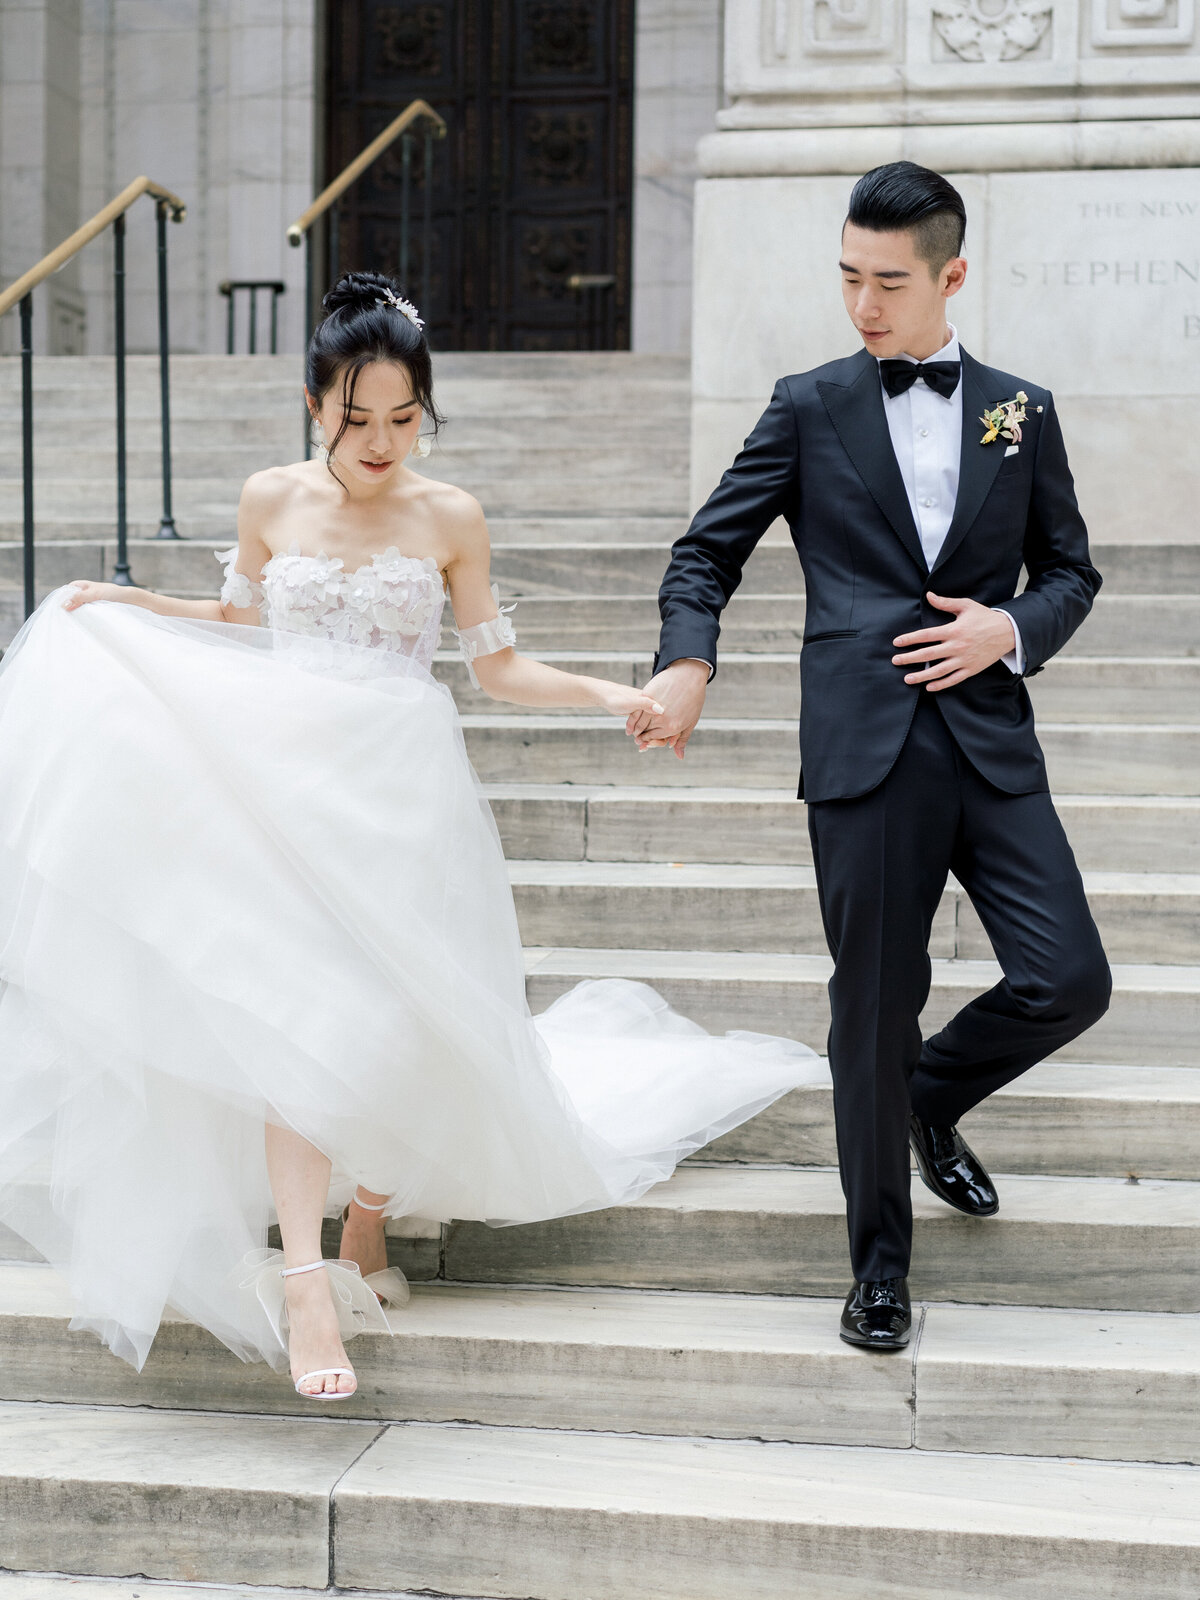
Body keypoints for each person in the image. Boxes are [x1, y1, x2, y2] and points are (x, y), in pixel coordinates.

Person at [0, 271, 820, 1399]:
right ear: (312, 404)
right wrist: (132, 606)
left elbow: (496, 667)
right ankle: (305, 1282)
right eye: (355, 418)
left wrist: (605, 694)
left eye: (402, 417)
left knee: (403, 1020)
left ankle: (370, 1217)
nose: (381, 440)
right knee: (301, 1023)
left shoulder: (448, 516)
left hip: (400, 790)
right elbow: (240, 619)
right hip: (282, 789)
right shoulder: (269, 500)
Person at [629, 162, 1112, 1351]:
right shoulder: (810, 403)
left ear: (951, 276)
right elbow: (706, 552)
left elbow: (1070, 571)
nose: (863, 305)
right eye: (848, 277)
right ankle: (879, 1267)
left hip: (991, 741)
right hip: (865, 749)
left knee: (1070, 977)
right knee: (872, 1012)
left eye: (889, 282)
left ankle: (932, 1098)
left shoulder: (1021, 409)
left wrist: (1013, 626)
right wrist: (688, 660)